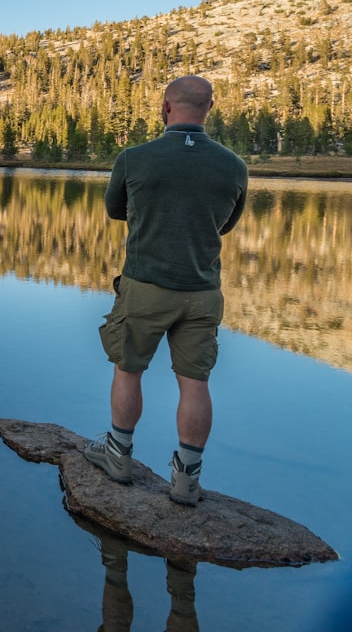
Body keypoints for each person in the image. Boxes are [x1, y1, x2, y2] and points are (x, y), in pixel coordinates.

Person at [85, 75, 248, 506]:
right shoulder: (234, 166)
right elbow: (226, 225)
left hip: (145, 286)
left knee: (128, 368)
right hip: (202, 290)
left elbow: (114, 209)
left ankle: (118, 456)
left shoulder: (135, 158)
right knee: (195, 383)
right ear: (209, 109)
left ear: (165, 107)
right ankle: (186, 481)